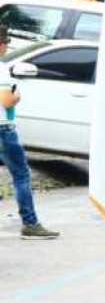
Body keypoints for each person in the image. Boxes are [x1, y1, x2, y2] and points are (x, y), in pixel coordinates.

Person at [0, 24, 59, 240]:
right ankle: (30, 223)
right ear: (2, 44)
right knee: (21, 175)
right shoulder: (1, 68)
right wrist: (16, 98)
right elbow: (6, 100)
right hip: (3, 130)